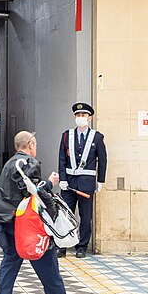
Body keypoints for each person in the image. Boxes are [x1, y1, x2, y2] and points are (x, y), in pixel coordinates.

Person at [0, 131, 80, 294]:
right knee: (46, 258)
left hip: (4, 221)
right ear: (30, 145)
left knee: (10, 262)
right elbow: (31, 192)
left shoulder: (9, 163)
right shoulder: (29, 163)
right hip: (25, 224)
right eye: (36, 145)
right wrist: (50, 182)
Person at [57, 102, 107, 259]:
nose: (80, 118)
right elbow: (61, 159)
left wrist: (101, 181)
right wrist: (62, 179)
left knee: (86, 216)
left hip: (87, 184)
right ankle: (63, 246)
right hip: (69, 183)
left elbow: (103, 160)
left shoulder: (97, 137)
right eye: (78, 115)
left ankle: (82, 247)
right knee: (65, 216)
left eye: (83, 115)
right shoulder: (67, 135)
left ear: (89, 118)